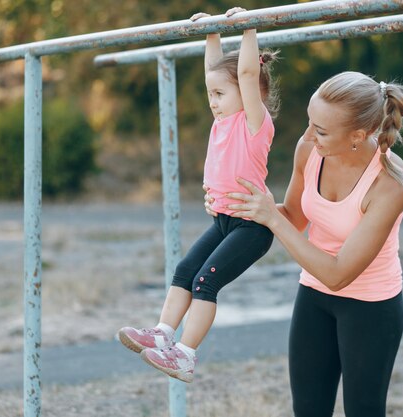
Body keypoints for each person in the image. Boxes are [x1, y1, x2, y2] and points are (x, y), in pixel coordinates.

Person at [208, 71, 403, 416]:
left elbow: (338, 274)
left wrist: (271, 217)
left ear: (357, 136)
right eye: (309, 121)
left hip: (371, 306)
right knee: (308, 410)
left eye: (320, 130)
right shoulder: (309, 151)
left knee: (364, 410)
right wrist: (234, 206)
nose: (307, 135)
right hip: (314, 297)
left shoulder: (390, 183)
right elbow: (293, 216)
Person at [116, 7, 280, 383]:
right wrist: (210, 33)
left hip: (251, 227)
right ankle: (163, 332)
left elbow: (247, 73)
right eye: (212, 94)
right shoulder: (222, 121)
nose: (213, 99)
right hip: (224, 222)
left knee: (205, 282)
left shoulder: (253, 125)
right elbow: (214, 72)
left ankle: (186, 355)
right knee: (185, 272)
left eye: (221, 94)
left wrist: (248, 27)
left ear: (249, 93)